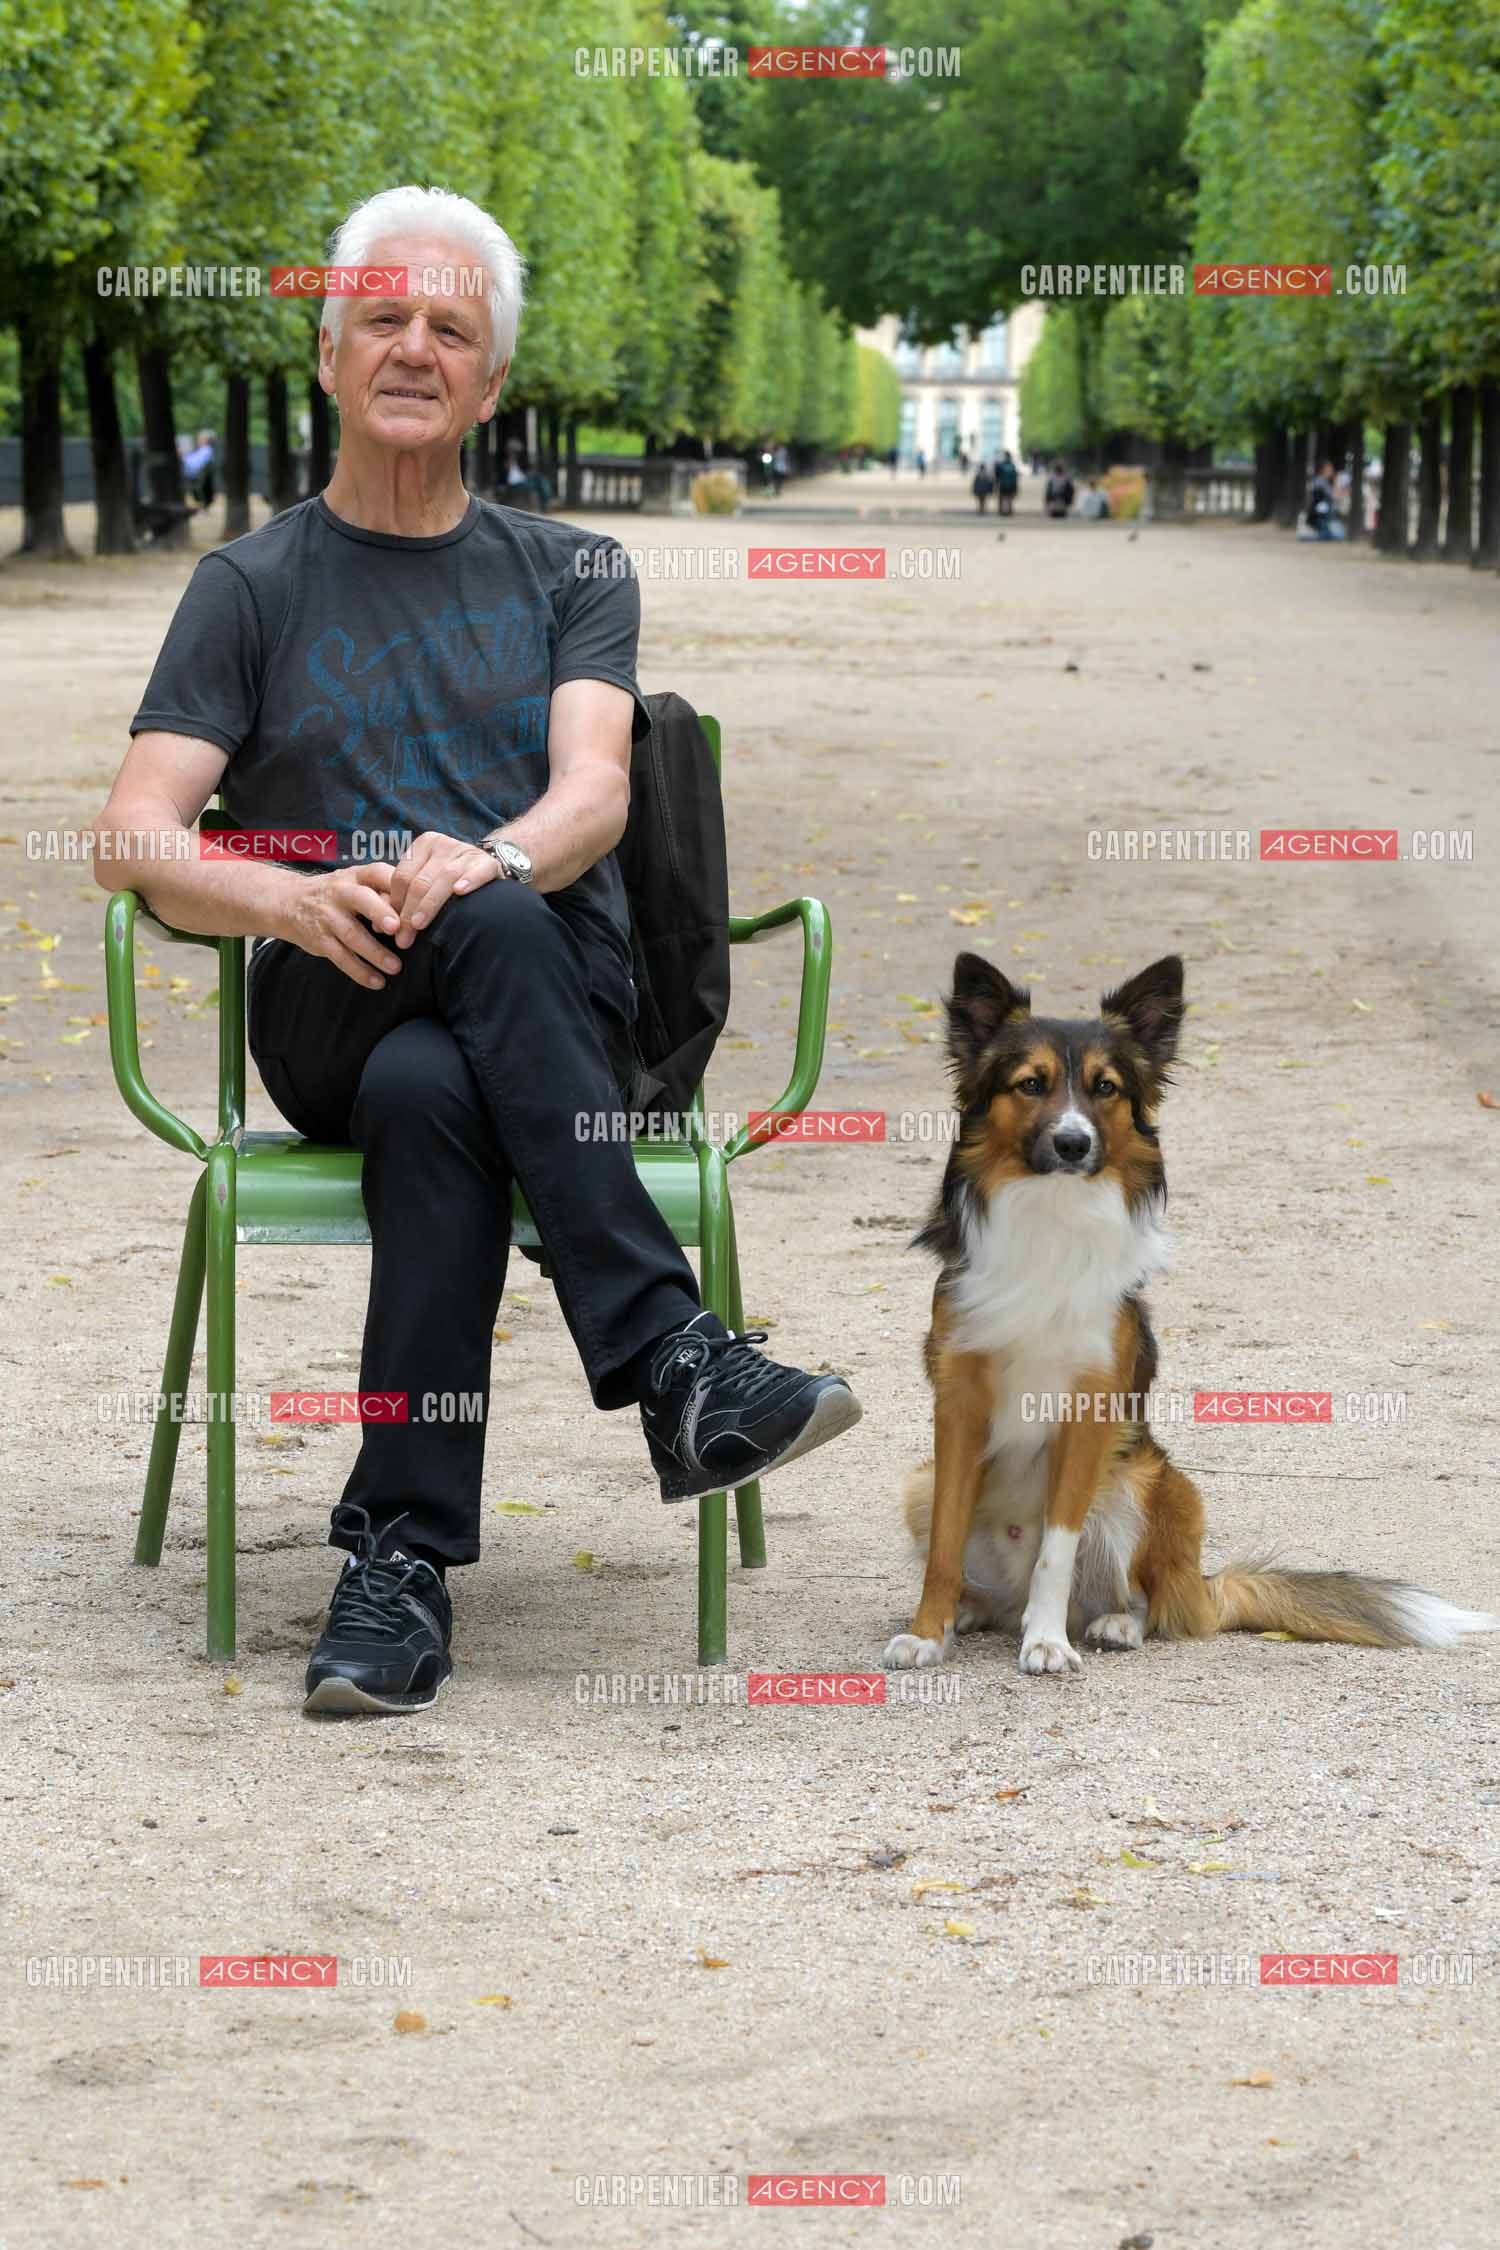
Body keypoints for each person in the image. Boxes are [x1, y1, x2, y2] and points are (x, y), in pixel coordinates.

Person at [92, 184, 862, 1718]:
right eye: (383, 316)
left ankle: (397, 1562)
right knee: (428, 1016)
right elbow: (137, 839)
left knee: (447, 1065)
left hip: (541, 1004)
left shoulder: (576, 572)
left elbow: (592, 794)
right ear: (326, 349)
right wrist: (288, 896)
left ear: (492, 381)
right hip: (328, 992)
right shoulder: (246, 587)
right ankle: (676, 1359)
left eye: (452, 328)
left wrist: (492, 856)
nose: (414, 349)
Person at [1306, 458, 1345, 541]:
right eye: (1329, 469)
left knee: (1334, 535)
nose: (1332, 471)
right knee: (1335, 536)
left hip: (1321, 515)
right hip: (1320, 516)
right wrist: (1336, 482)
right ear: (1323, 469)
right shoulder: (1320, 481)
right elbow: (1334, 495)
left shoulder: (1321, 481)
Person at [182, 429, 216, 508]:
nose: (197, 440)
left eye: (200, 438)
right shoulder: (202, 450)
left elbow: (195, 465)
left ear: (206, 440)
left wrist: (183, 457)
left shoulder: (206, 451)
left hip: (196, 478)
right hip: (196, 477)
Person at [995, 451, 1018, 516]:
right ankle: (1008, 511)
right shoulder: (1012, 465)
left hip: (1004, 485)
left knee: (1005, 499)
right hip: (1009, 485)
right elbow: (1015, 477)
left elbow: (997, 476)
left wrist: (996, 484)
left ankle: (1003, 511)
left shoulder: (1001, 465)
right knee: (1008, 499)